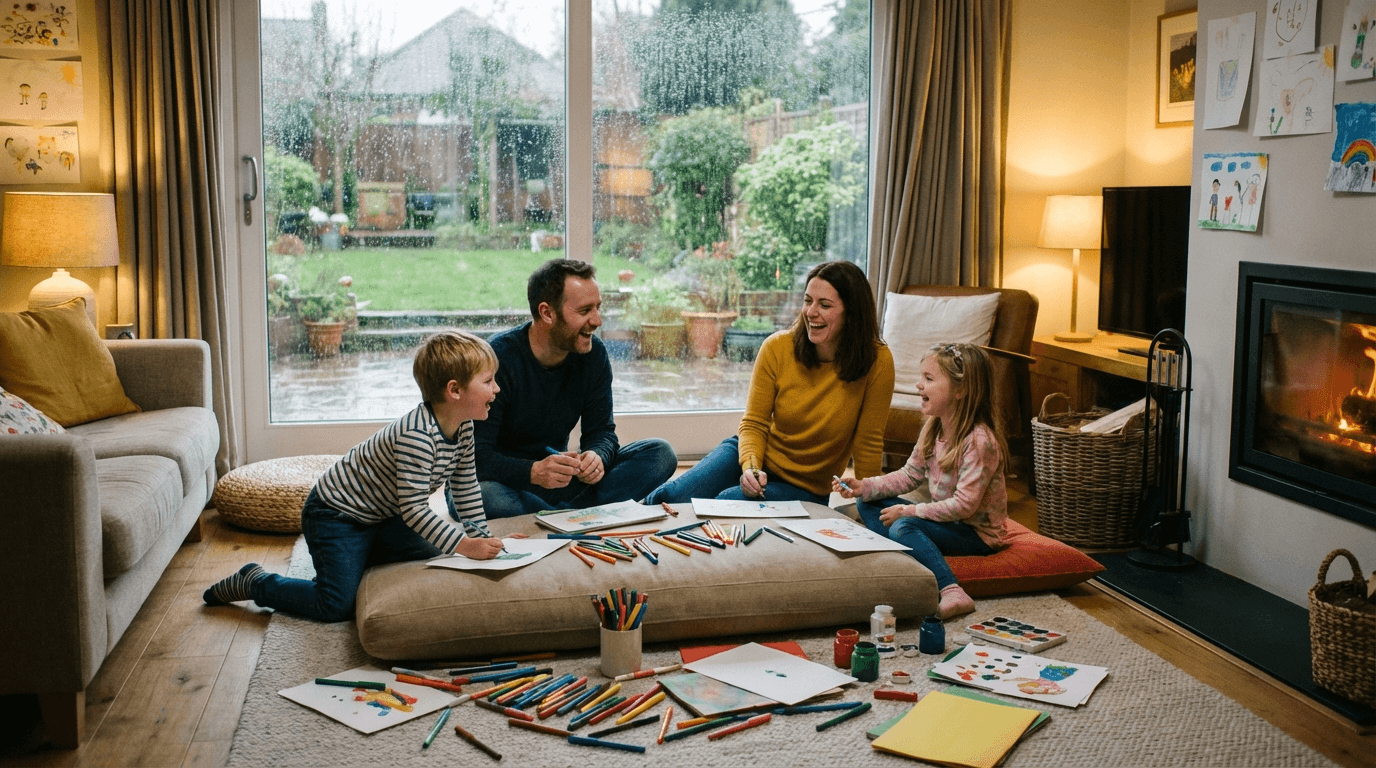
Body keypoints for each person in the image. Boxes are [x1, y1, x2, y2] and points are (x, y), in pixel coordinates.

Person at [203, 330, 512, 621]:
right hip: (336, 515)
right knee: (335, 604)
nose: (496, 388)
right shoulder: (417, 436)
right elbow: (415, 509)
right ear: (455, 390)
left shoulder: (465, 426)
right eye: (488, 381)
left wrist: (480, 536)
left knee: (436, 552)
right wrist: (463, 544)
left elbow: (465, 484)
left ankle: (359, 557)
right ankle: (256, 582)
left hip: (383, 516)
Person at [645, 261, 894, 505]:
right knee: (673, 497)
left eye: (825, 305)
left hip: (805, 488)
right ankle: (623, 524)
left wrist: (868, 505)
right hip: (751, 458)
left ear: (852, 314)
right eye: (808, 301)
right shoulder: (777, 347)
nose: (810, 312)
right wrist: (751, 467)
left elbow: (868, 443)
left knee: (725, 503)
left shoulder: (877, 360)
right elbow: (754, 422)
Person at [475, 258, 677, 518]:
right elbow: (475, 456)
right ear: (547, 313)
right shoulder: (497, 360)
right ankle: (579, 514)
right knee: (484, 496)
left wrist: (597, 456)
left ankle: (554, 515)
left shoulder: (593, 354)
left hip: (560, 481)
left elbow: (602, 431)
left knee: (660, 454)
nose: (597, 320)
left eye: (598, 308)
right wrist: (533, 472)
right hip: (506, 482)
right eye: (584, 311)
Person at [833, 342, 1010, 620]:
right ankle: (907, 546)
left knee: (903, 524)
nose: (918, 385)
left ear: (961, 391)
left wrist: (909, 511)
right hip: (945, 522)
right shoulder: (934, 426)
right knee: (868, 502)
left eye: (929, 379)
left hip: (975, 533)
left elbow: (964, 506)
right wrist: (865, 486)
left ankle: (952, 590)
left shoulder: (979, 441)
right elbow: (909, 475)